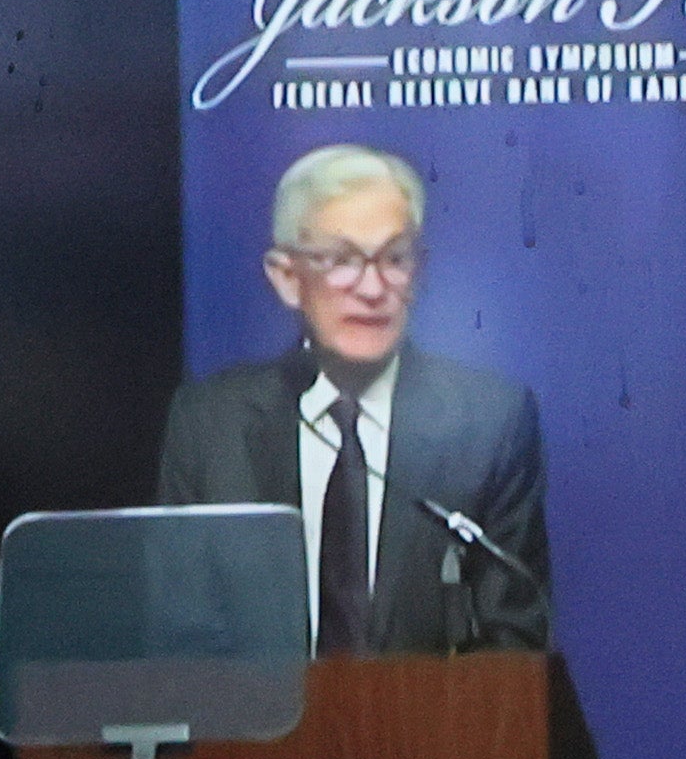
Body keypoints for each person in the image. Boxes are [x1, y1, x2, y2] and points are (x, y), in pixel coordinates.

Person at [153, 145, 554, 662]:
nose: (373, 288)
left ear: (419, 271)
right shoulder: (212, 423)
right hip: (256, 740)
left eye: (394, 259)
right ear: (287, 278)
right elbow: (178, 637)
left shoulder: (488, 423)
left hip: (431, 738)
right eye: (342, 260)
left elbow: (514, 648)